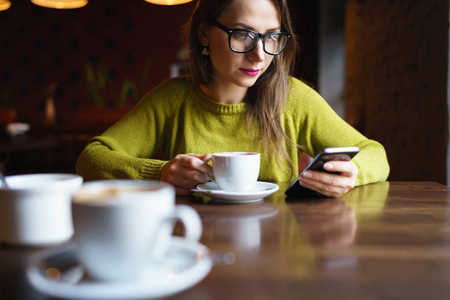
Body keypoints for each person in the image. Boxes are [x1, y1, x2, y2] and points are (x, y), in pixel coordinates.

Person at [76, 0, 390, 197]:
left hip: (279, 249)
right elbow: (91, 159)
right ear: (204, 34)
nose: (259, 54)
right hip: (192, 241)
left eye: (271, 37)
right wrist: (157, 172)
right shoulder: (171, 99)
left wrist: (352, 174)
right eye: (242, 34)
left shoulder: (292, 98)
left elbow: (375, 154)